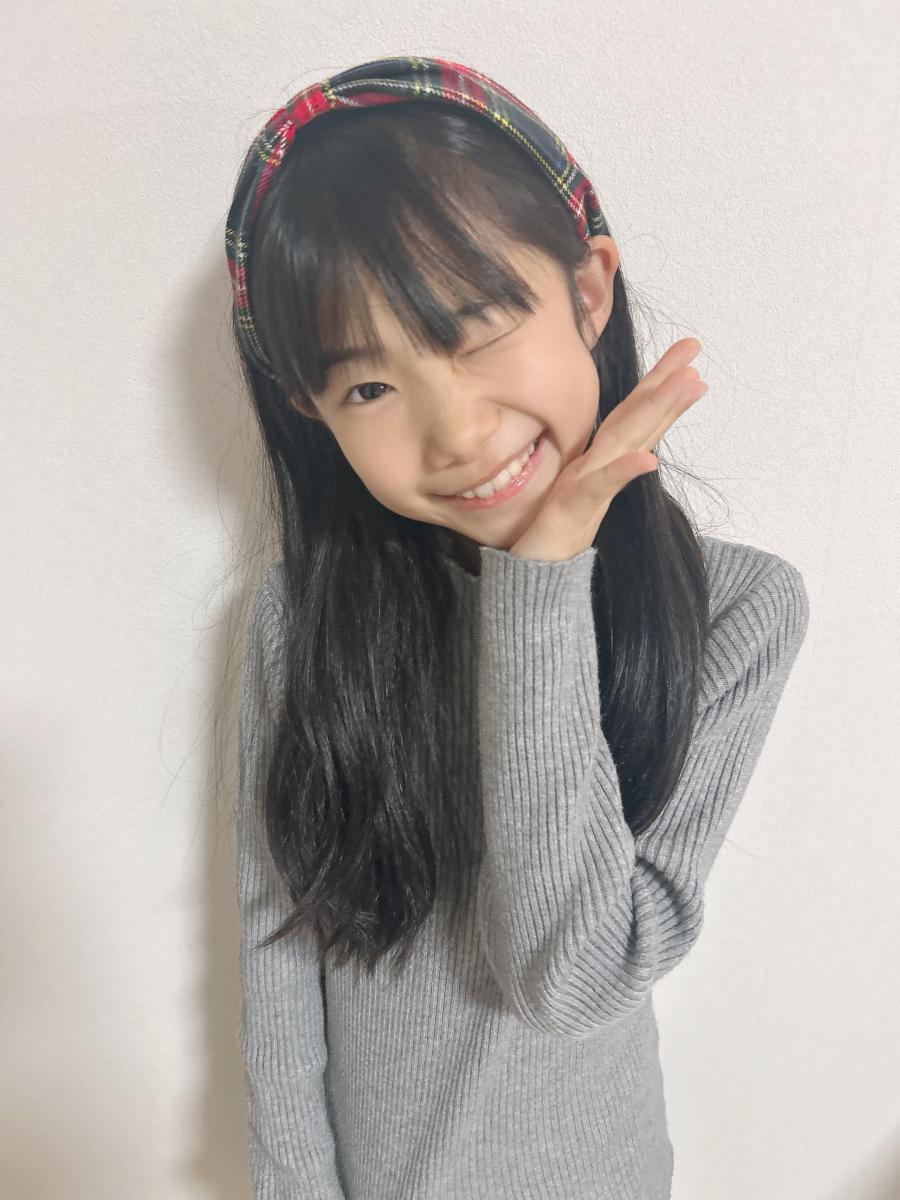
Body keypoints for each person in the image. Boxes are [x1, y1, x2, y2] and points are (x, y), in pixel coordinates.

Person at [225, 55, 810, 1200]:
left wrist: (541, 586)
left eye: (476, 326)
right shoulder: (304, 622)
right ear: (311, 411)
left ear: (589, 292)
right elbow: (278, 950)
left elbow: (571, 979)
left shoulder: (739, 613)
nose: (454, 430)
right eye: (367, 388)